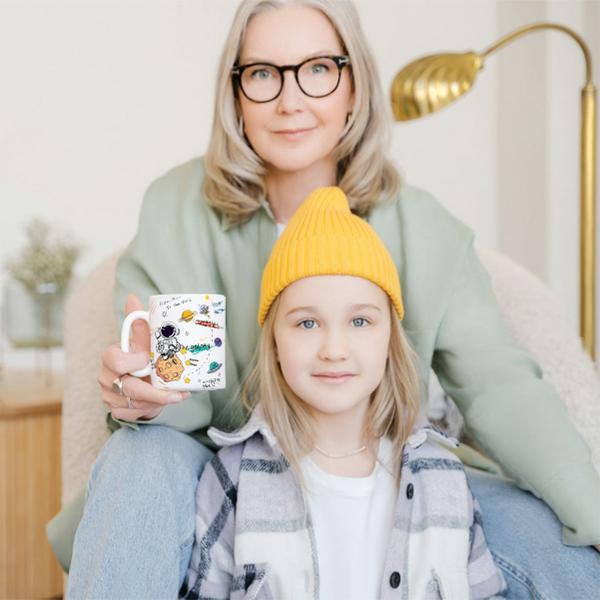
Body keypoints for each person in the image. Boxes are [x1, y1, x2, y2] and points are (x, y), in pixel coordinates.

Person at [54, 1, 600, 598]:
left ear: (354, 86)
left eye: (318, 69)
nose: (291, 100)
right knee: (141, 456)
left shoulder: (423, 228)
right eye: (262, 73)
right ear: (235, 93)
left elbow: (501, 387)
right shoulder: (185, 208)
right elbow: (188, 399)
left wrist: (589, 509)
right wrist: (147, 394)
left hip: (389, 473)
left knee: (554, 537)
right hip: (225, 478)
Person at [180, 185, 507, 599]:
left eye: (359, 322)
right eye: (307, 323)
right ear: (275, 345)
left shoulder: (444, 478)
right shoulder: (232, 478)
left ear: (390, 339)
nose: (334, 350)